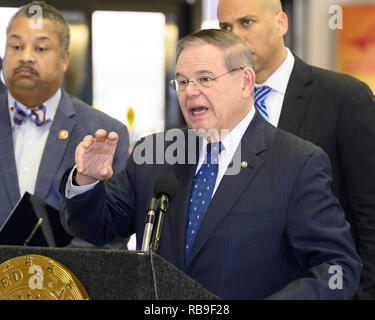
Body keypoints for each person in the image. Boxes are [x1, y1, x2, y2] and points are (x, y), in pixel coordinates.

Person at [60, 28, 361, 299]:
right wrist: (86, 181)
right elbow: (96, 228)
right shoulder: (154, 153)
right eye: (181, 81)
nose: (190, 92)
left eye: (205, 79)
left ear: (245, 82)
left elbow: (336, 266)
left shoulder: (297, 162)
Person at [217, 0, 375, 299]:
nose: (234, 37)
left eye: (246, 22)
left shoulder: (344, 98)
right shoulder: (221, 105)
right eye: (225, 27)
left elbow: (370, 212)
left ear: (281, 23)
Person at [0, 1, 129, 249]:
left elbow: (110, 235)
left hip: (67, 283)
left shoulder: (103, 133)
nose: (25, 56)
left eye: (40, 48)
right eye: (16, 46)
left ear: (65, 58)